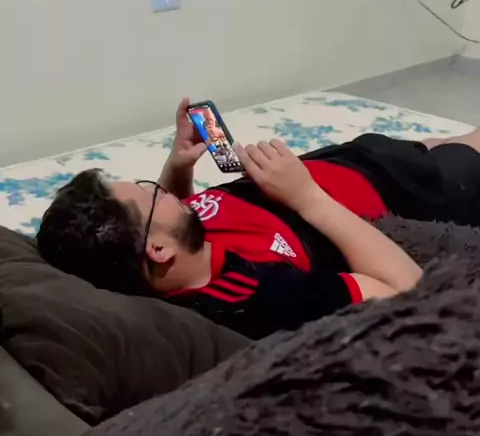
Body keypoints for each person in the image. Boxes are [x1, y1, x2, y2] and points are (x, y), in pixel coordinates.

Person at [37, 98, 480, 339]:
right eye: (153, 193)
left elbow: (165, 231)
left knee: (438, 144)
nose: (163, 190)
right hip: (390, 188)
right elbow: (411, 290)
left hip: (321, 168)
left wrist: (179, 166)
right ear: (157, 250)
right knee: (464, 150)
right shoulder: (259, 296)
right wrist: (306, 196)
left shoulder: (172, 255)